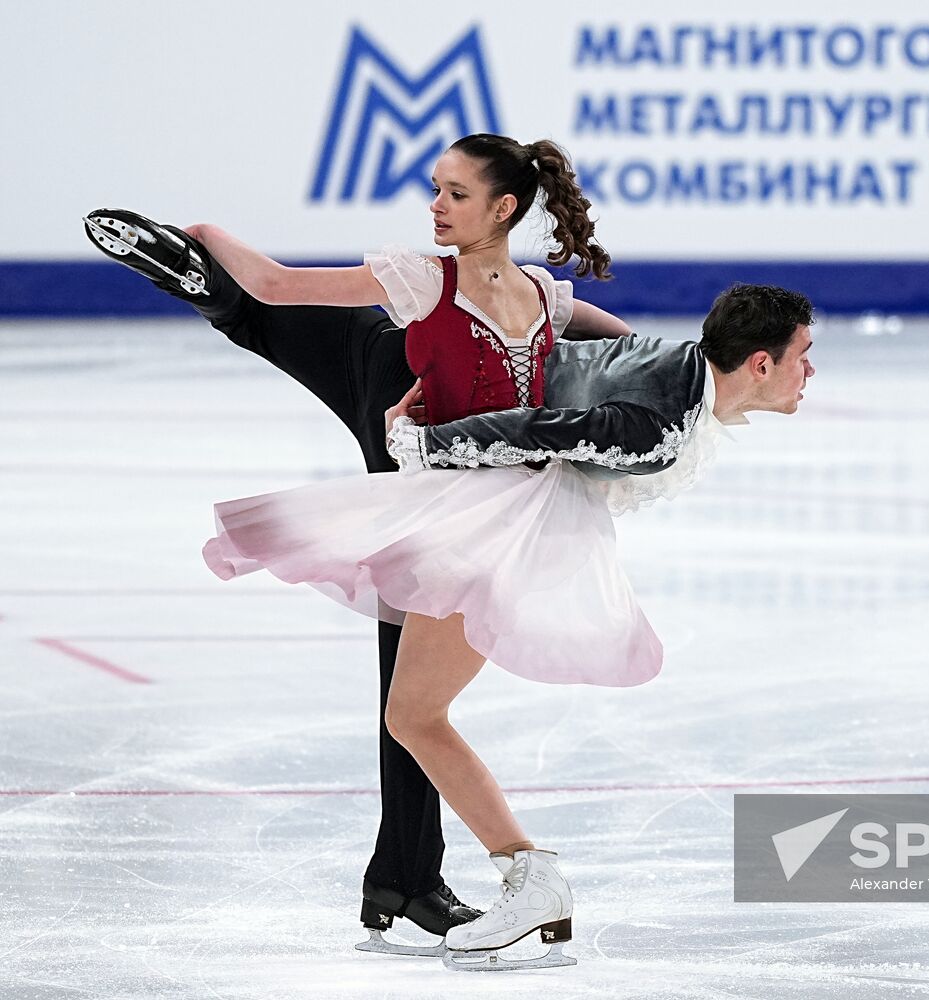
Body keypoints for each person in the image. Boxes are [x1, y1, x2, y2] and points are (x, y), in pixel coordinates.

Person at [85, 207, 816, 974]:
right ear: (759, 363)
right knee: (413, 702)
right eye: (803, 356)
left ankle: (218, 298)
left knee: (329, 337)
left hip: (423, 378)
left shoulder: (669, 366)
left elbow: (597, 347)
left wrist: (586, 329)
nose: (812, 372)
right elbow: (537, 429)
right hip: (462, 477)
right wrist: (420, 445)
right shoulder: (664, 428)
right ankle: (468, 877)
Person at [82, 132, 631, 959]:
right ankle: (407, 877)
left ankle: (213, 298)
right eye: (436, 190)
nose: (435, 205)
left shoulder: (432, 275)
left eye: (452, 193)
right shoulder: (541, 296)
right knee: (409, 691)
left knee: (295, 327)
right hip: (452, 455)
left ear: (502, 207)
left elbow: (278, 283)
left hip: (417, 429)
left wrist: (209, 240)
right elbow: (613, 338)